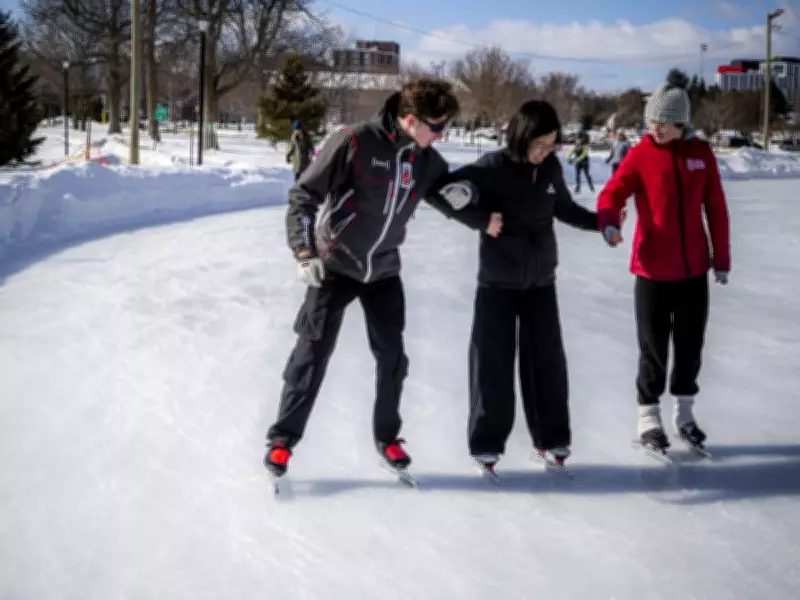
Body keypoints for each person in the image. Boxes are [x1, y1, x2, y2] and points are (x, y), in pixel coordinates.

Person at [264, 77, 503, 479]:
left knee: (393, 359)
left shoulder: (426, 160)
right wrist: (304, 251)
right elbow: (304, 197)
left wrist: (482, 219)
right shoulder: (354, 142)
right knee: (311, 354)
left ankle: (387, 437)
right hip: (334, 265)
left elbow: (447, 196)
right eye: (436, 127)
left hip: (384, 271)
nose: (441, 135)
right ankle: (282, 440)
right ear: (411, 120)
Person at [433, 99, 599, 471]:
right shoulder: (493, 167)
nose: (545, 152)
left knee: (548, 362)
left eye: (552, 144)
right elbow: (443, 193)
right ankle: (486, 443)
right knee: (492, 363)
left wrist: (601, 222)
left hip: (541, 282)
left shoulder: (552, 167)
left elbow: (566, 209)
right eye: (539, 144)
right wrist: (480, 220)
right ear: (521, 137)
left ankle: (552, 438)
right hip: (497, 283)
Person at [596, 69, 731, 452]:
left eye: (664, 122)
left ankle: (684, 415)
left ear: (681, 123)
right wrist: (608, 223)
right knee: (653, 347)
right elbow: (612, 193)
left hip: (692, 271)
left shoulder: (700, 155)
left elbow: (716, 209)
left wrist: (721, 258)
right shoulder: (640, 155)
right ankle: (648, 418)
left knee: (690, 346)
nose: (656, 128)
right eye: (652, 121)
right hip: (652, 270)